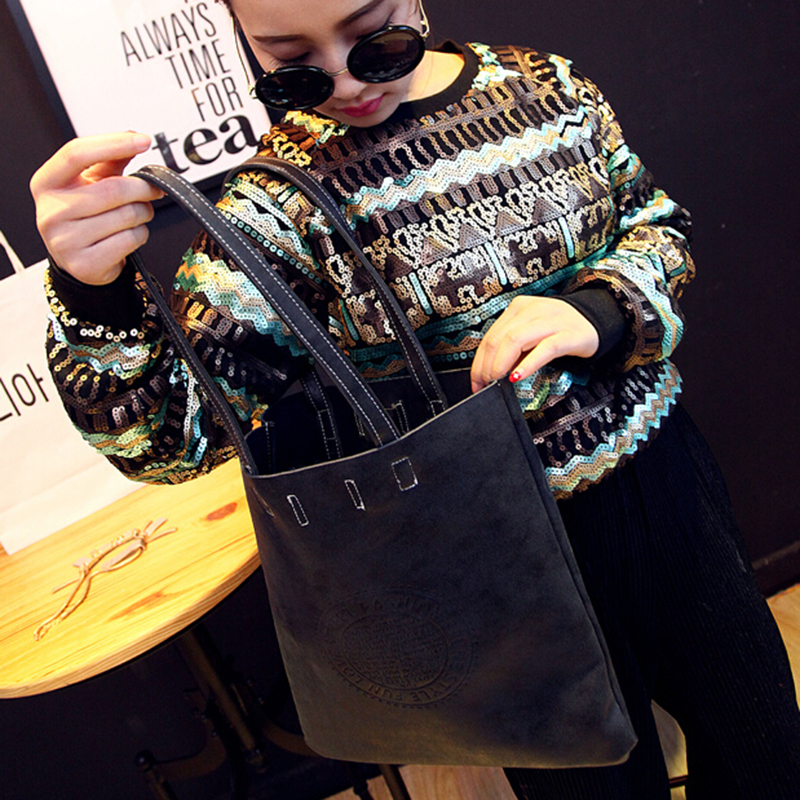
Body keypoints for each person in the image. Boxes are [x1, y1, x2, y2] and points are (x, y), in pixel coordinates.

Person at [30, 0, 800, 797]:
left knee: (765, 747)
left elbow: (657, 227)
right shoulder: (276, 206)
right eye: (291, 64)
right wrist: (93, 294)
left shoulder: (547, 86)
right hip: (491, 556)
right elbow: (170, 442)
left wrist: (598, 311)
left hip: (667, 484)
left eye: (375, 38)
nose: (342, 82)